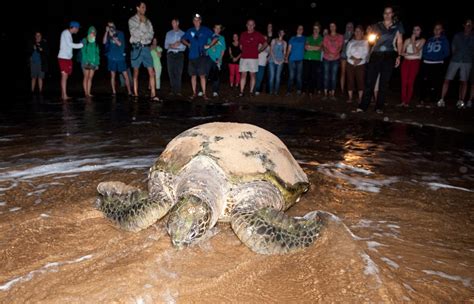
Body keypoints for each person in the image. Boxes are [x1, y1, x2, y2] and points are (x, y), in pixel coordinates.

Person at [358, 6, 404, 114]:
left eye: (389, 13)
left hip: (389, 55)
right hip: (376, 55)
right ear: (383, 14)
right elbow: (371, 40)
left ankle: (379, 107)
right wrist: (371, 39)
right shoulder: (376, 25)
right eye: (385, 13)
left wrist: (399, 56)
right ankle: (363, 106)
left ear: (392, 14)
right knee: (370, 81)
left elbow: (400, 41)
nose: (387, 15)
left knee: (384, 83)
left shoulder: (398, 26)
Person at [438, 19, 474, 109]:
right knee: (447, 79)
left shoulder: (473, 37)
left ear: (472, 26)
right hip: (455, 60)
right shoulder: (458, 35)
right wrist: (456, 56)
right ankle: (442, 99)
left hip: (467, 61)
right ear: (464, 25)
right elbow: (453, 47)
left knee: (464, 81)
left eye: (470, 25)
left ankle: (461, 101)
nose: (468, 26)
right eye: (466, 24)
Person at [129, 1, 160, 101]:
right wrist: (142, 24)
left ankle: (153, 94)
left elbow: (151, 35)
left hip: (146, 48)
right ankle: (136, 94)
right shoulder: (132, 20)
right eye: (142, 7)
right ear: (137, 8)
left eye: (145, 7)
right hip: (136, 48)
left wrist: (143, 33)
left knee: (152, 71)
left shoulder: (148, 21)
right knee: (136, 72)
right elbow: (134, 33)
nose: (144, 9)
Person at [181, 14, 216, 100]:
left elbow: (215, 37)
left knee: (202, 75)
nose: (196, 22)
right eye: (194, 20)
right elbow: (182, 39)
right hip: (192, 56)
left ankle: (204, 94)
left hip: (201, 56)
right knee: (193, 75)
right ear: (193, 21)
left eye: (198, 20)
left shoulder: (205, 30)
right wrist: (188, 44)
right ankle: (194, 93)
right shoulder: (190, 30)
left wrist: (209, 45)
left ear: (200, 21)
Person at [419, 23, 450, 106]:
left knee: (435, 82)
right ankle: (422, 98)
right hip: (427, 62)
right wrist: (426, 56)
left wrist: (438, 57)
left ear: (442, 30)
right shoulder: (429, 39)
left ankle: (433, 98)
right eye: (435, 28)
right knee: (425, 81)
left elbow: (447, 52)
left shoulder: (444, 39)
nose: (437, 30)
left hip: (437, 63)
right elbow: (424, 50)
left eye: (439, 28)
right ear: (433, 30)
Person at [239, 19, 268, 97]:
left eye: (252, 25)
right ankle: (241, 92)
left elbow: (265, 43)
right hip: (244, 58)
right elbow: (240, 45)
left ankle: (251, 92)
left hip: (253, 58)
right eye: (249, 24)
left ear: (254, 25)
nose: (250, 26)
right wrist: (244, 51)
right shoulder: (243, 34)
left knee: (252, 75)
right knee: (243, 75)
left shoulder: (257, 34)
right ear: (246, 25)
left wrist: (259, 50)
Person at [103, 21, 132, 96]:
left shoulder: (120, 33)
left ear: (114, 26)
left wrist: (113, 36)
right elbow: (104, 42)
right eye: (109, 26)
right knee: (112, 75)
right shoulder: (108, 34)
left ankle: (129, 92)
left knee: (125, 75)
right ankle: (114, 92)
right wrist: (106, 32)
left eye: (111, 26)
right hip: (111, 57)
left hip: (120, 57)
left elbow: (119, 44)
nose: (110, 28)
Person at [399, 25, 425, 106]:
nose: (415, 31)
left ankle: (407, 101)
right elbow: (401, 52)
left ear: (420, 31)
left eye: (417, 30)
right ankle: (403, 101)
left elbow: (416, 52)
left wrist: (413, 41)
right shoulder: (407, 40)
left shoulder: (422, 40)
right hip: (406, 62)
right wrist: (410, 54)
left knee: (410, 82)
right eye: (414, 30)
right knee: (404, 82)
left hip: (415, 62)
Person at [58, 21, 83, 100]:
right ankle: (64, 95)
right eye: (78, 28)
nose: (78, 30)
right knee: (64, 76)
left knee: (65, 77)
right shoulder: (66, 33)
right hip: (63, 57)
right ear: (74, 27)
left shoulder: (69, 34)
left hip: (67, 58)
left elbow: (68, 46)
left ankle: (63, 94)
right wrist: (82, 45)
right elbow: (70, 44)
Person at [345, 25, 369, 103]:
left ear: (362, 32)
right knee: (350, 80)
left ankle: (360, 98)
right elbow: (347, 52)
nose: (357, 32)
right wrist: (354, 59)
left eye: (359, 31)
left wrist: (359, 60)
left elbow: (365, 53)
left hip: (361, 63)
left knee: (360, 80)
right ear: (354, 32)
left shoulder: (365, 42)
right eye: (356, 31)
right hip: (350, 63)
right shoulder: (351, 42)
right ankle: (350, 98)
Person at [322, 22, 343, 100]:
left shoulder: (340, 36)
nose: (332, 27)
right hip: (326, 58)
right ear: (329, 27)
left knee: (334, 77)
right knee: (326, 76)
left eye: (333, 26)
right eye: (331, 26)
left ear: (336, 27)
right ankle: (325, 93)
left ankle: (332, 94)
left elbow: (340, 47)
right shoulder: (326, 37)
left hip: (336, 58)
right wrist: (329, 53)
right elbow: (324, 47)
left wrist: (334, 54)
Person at [164, 18, 186, 95]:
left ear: (177, 23)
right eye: (172, 23)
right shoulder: (168, 33)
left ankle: (178, 91)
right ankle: (173, 90)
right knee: (171, 72)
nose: (172, 24)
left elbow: (184, 47)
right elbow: (166, 46)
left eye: (174, 23)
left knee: (178, 73)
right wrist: (172, 45)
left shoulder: (183, 33)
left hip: (179, 54)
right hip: (170, 55)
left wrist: (179, 45)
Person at [303, 22, 324, 98]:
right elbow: (306, 47)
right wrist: (315, 47)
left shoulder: (321, 38)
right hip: (306, 58)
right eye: (314, 28)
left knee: (313, 76)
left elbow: (319, 48)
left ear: (319, 30)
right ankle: (304, 91)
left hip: (316, 59)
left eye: (317, 29)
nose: (315, 30)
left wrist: (310, 47)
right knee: (305, 75)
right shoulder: (308, 37)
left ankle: (311, 91)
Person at [207, 24, 226, 97]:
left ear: (220, 30)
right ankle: (201, 90)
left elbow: (223, 50)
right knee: (205, 74)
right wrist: (211, 48)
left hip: (217, 59)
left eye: (219, 28)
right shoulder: (210, 36)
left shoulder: (222, 38)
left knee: (216, 76)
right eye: (216, 28)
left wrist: (220, 59)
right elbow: (207, 46)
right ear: (213, 29)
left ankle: (215, 91)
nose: (217, 29)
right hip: (209, 58)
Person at [80, 26, 100, 98]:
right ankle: (86, 93)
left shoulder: (96, 42)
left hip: (93, 63)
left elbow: (97, 54)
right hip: (85, 62)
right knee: (86, 77)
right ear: (89, 32)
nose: (93, 33)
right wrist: (86, 61)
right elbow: (83, 51)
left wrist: (97, 63)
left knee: (90, 78)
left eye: (94, 32)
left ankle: (89, 93)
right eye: (91, 32)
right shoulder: (84, 40)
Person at [287, 25, 306, 95]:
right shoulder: (292, 38)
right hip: (292, 59)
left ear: (303, 30)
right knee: (291, 76)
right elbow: (289, 49)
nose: (300, 30)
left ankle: (299, 90)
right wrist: (286, 57)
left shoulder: (304, 38)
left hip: (300, 59)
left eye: (301, 28)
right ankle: (289, 91)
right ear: (297, 30)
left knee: (299, 76)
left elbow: (306, 48)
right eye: (299, 28)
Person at [268, 30, 287, 95]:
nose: (282, 33)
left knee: (278, 77)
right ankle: (271, 91)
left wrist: (282, 60)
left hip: (280, 61)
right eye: (280, 32)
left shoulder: (284, 42)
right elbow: (271, 50)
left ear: (284, 34)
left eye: (283, 32)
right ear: (278, 33)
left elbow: (284, 53)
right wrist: (274, 60)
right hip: (272, 60)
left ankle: (276, 92)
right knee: (272, 77)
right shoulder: (274, 40)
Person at [340, 22, 354, 94]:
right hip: (344, 56)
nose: (349, 27)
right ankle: (342, 89)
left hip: (352, 57)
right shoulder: (342, 36)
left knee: (351, 73)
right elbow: (340, 47)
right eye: (348, 26)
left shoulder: (355, 35)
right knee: (343, 73)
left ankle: (350, 89)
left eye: (351, 26)